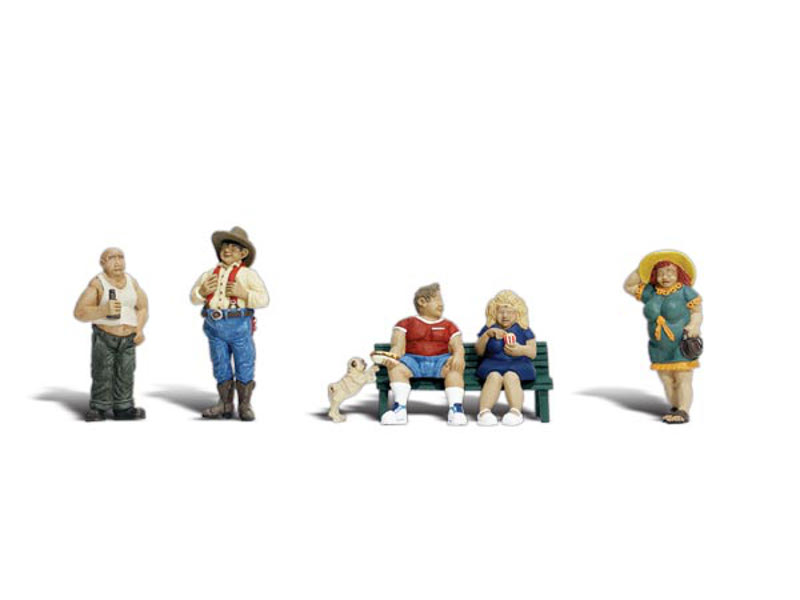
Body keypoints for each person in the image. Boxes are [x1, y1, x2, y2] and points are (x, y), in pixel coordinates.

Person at [190, 226, 269, 421]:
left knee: (244, 362)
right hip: (214, 326)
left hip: (239, 325)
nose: (227, 250)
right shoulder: (209, 274)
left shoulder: (248, 275)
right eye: (224, 246)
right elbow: (193, 297)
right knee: (220, 363)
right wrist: (202, 292)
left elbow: (264, 299)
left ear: (243, 253)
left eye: (233, 248)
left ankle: (244, 404)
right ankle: (225, 403)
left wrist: (244, 294)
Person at [624, 250, 703, 424]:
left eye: (670, 272)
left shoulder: (685, 292)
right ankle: (675, 406)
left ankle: (683, 410)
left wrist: (694, 326)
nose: (665, 277)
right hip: (659, 346)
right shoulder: (651, 292)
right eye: (660, 273)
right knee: (666, 379)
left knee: (682, 377)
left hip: (680, 344)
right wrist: (642, 269)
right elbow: (629, 286)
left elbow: (696, 311)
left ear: (679, 274)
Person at [73, 248, 149, 421]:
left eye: (120, 257)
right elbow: (79, 312)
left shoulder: (131, 282)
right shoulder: (98, 284)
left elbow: (143, 307)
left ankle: (123, 407)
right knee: (102, 371)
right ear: (102, 263)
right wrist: (103, 310)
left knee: (126, 372)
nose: (117, 262)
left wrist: (139, 329)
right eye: (111, 258)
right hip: (105, 337)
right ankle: (99, 407)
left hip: (128, 340)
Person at [380, 283, 467, 425]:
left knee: (454, 369)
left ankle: (456, 409)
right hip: (413, 361)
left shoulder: (449, 326)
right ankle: (399, 408)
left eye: (441, 300)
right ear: (422, 302)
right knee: (396, 368)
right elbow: (398, 345)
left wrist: (458, 355)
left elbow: (458, 346)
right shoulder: (406, 323)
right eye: (437, 300)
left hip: (441, 361)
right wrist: (394, 354)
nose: (441, 304)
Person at [475, 290, 537, 426]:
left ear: (517, 313)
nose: (505, 316)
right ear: (494, 312)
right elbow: (479, 351)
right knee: (494, 377)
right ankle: (484, 412)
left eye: (509, 312)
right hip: (492, 364)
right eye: (501, 312)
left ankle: (515, 411)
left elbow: (532, 352)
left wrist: (521, 350)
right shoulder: (489, 328)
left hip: (518, 364)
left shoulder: (523, 329)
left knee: (511, 376)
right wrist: (487, 335)